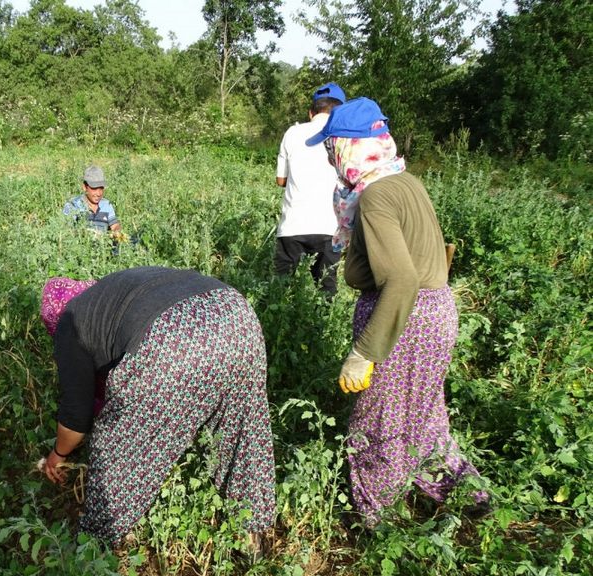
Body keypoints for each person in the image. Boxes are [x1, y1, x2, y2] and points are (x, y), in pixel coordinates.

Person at [305, 97, 488, 526]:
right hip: (436, 310)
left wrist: (364, 352)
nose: (330, 157)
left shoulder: (375, 197)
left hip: (404, 320)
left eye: (332, 147)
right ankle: (466, 494)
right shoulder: (406, 181)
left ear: (349, 147)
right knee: (424, 414)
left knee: (377, 423)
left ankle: (378, 517)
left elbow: (401, 280)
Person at [38, 267, 276, 547]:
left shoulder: (70, 319)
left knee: (116, 449)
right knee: (242, 433)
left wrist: (58, 454)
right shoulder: (111, 293)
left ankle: (97, 549)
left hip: (173, 338)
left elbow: (75, 416)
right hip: (237, 317)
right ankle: (254, 541)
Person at [274, 82, 346, 295]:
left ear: (310, 112)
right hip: (330, 227)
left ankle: (274, 329)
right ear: (340, 112)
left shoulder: (292, 133)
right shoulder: (345, 137)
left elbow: (281, 180)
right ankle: (321, 328)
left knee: (280, 290)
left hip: (293, 225)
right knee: (326, 289)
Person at [62, 165, 121, 234]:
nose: (98, 193)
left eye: (101, 188)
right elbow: (65, 230)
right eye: (94, 188)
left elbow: (115, 226)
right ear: (84, 187)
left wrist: (117, 232)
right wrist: (85, 233)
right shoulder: (73, 205)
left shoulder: (106, 205)